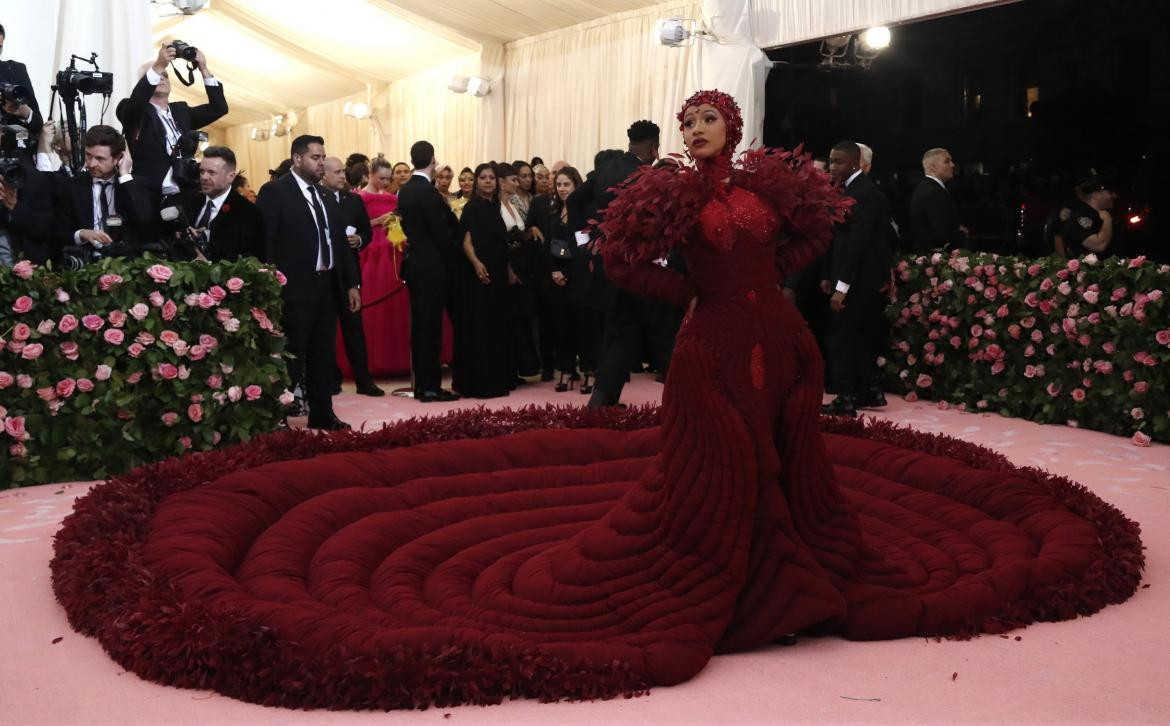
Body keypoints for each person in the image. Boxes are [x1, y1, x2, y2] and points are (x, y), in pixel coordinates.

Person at [126, 91, 1142, 709]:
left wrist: (770, 290)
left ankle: (796, 566)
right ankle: (736, 580)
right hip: (709, 346)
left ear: (732, 128)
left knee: (789, 456)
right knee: (717, 459)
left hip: (780, 341)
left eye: (711, 120)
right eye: (691, 119)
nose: (700, 130)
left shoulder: (768, 187)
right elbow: (619, 260)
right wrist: (695, 294)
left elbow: (806, 237)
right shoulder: (664, 192)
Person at [256, 134, 361, 430]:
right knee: (290, 355)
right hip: (292, 287)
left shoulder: (325, 195)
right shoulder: (275, 191)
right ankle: (277, 416)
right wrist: (269, 283)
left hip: (326, 285)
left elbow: (339, 244)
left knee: (323, 354)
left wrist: (351, 284)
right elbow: (268, 240)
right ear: (298, 158)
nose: (321, 163)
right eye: (316, 157)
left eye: (323, 157)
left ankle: (322, 412)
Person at [820, 141, 892, 417]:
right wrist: (830, 275)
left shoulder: (862, 193)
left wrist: (841, 287)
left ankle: (846, 396)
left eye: (838, 162)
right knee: (857, 337)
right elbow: (839, 238)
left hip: (859, 280)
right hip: (855, 277)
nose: (832, 167)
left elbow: (858, 244)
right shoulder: (851, 190)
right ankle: (868, 391)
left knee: (843, 338)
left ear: (854, 163)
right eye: (831, 161)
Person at [116, 43, 228, 200]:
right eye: (157, 74)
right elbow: (137, 102)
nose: (162, 77)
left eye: (166, 75)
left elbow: (219, 108)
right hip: (150, 195)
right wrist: (159, 64)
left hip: (187, 191)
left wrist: (203, 68)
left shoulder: (180, 110)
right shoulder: (130, 108)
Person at [396, 140, 460, 402]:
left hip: (414, 263)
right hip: (432, 266)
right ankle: (431, 387)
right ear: (433, 160)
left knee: (421, 327)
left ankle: (423, 384)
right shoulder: (428, 192)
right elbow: (440, 233)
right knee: (430, 328)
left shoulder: (405, 190)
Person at [321, 155, 383, 397]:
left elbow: (366, 230)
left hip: (350, 273)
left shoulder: (353, 201)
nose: (342, 176)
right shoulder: (317, 199)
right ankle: (330, 379)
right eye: (336, 172)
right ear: (324, 174)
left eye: (342, 171)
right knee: (325, 333)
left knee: (354, 330)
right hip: (324, 275)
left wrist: (360, 240)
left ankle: (364, 381)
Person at [452, 163, 512, 398]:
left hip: (497, 271)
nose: (488, 181)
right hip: (479, 273)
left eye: (491, 178)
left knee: (495, 326)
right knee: (480, 326)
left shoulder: (494, 206)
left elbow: (500, 242)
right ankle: (479, 384)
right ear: (476, 182)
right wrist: (476, 264)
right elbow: (466, 240)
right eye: (483, 178)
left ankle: (497, 380)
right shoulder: (472, 208)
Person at [57, 125, 153, 262]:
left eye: (100, 159)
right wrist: (82, 234)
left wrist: (125, 175)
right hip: (86, 261)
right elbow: (58, 233)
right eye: (88, 155)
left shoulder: (132, 185)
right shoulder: (72, 186)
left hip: (127, 262)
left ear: (118, 158)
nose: (91, 163)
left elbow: (144, 221)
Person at [537, 166, 586, 391]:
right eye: (559, 184)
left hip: (578, 276)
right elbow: (550, 246)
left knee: (582, 325)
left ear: (576, 185)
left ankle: (587, 371)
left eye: (567, 184)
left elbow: (584, 249)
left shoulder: (584, 212)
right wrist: (554, 271)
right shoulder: (553, 211)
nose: (563, 189)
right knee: (561, 326)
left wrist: (566, 273)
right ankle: (566, 370)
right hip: (556, 277)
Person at [497, 162, 542, 382]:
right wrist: (509, 269)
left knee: (520, 318)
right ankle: (507, 369)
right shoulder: (496, 205)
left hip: (522, 264)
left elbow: (519, 233)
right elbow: (499, 241)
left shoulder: (512, 205)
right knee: (509, 319)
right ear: (501, 182)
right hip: (507, 265)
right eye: (513, 179)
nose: (518, 183)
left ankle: (518, 367)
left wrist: (531, 230)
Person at [182, 145, 263, 262]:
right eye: (202, 171)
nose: (204, 177)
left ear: (230, 177)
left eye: (211, 172)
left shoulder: (249, 212)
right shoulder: (190, 202)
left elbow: (253, 260)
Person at [909, 147, 963, 253]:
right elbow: (942, 233)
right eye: (947, 161)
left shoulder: (927, 187)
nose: (952, 165)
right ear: (933, 167)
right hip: (938, 257)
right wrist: (960, 232)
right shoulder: (933, 191)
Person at [0, 24, 43, 155]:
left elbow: (37, 122)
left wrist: (26, 112)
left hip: (16, 155)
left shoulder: (15, 70)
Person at [1060, 176, 1116, 257]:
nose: (1114, 195)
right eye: (1110, 192)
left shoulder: (1099, 215)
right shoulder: (1080, 216)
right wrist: (1107, 221)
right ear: (1096, 195)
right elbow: (1099, 245)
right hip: (1090, 269)